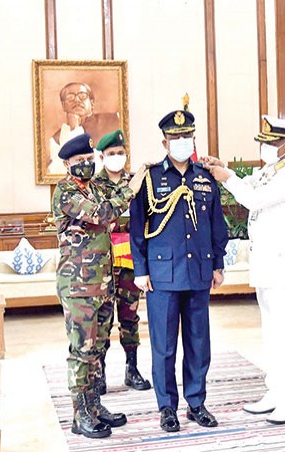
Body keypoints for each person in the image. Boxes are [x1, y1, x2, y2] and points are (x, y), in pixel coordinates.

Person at [203, 115, 285, 425]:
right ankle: (274, 392)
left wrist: (226, 177)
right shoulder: (272, 169)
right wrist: (223, 167)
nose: (264, 148)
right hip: (269, 265)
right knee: (272, 334)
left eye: (269, 144)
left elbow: (252, 199)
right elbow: (250, 183)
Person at [128, 109, 228, 433]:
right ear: (164, 141)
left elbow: (217, 225)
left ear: (193, 139)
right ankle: (167, 407)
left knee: (199, 342)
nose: (182, 142)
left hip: (198, 271)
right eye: (176, 138)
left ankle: (196, 403)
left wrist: (218, 263)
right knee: (165, 345)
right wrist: (140, 269)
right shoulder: (150, 177)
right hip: (162, 276)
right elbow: (137, 227)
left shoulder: (205, 177)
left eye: (187, 137)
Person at [52, 132, 147, 439]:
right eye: (79, 161)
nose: (86, 165)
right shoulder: (65, 191)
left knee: (98, 347)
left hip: (103, 283)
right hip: (78, 286)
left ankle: (94, 406)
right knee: (82, 350)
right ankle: (80, 415)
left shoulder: (93, 188)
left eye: (89, 160)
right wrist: (132, 188)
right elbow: (104, 214)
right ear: (67, 164)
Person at [91, 129, 151, 394]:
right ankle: (100, 373)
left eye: (120, 153)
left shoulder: (136, 181)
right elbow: (101, 218)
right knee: (102, 319)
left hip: (130, 260)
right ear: (102, 157)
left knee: (130, 316)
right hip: (103, 261)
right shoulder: (94, 185)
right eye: (111, 153)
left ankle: (132, 369)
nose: (117, 157)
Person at [48, 82, 121, 174]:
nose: (77, 100)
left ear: (92, 102)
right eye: (70, 97)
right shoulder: (56, 139)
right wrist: (73, 129)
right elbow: (56, 171)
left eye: (82, 96)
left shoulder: (116, 119)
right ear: (63, 106)